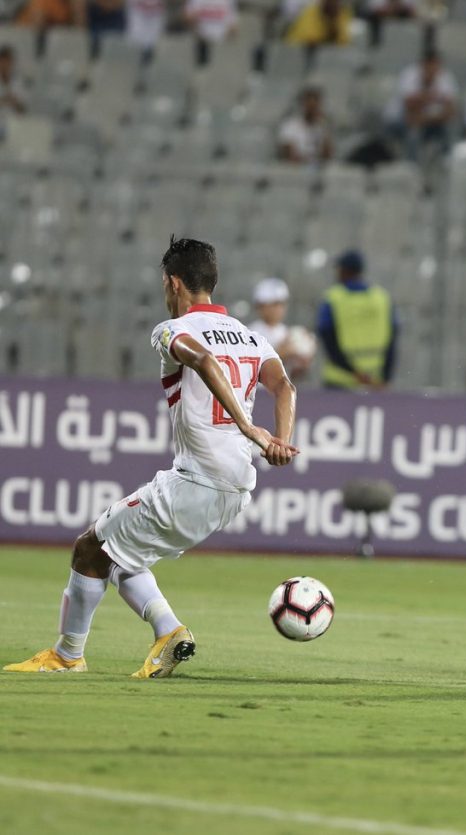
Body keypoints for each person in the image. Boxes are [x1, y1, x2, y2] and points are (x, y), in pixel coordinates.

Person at [4, 238, 299, 678]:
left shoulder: (171, 329)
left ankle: (68, 655)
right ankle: (168, 632)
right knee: (119, 552)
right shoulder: (251, 336)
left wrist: (247, 426)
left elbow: (203, 360)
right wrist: (280, 441)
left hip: (196, 481)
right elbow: (285, 386)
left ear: (173, 282)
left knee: (89, 549)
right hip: (235, 488)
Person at [317, 249, 398, 390]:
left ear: (344, 271)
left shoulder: (333, 298)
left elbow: (328, 340)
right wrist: (386, 378)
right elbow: (392, 340)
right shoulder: (381, 298)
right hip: (374, 381)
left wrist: (355, 373)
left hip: (339, 381)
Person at [392, 49, 458, 162]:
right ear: (423, 65)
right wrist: (433, 98)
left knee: (450, 131)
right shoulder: (409, 75)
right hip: (405, 120)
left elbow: (451, 110)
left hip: (432, 120)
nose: (433, 71)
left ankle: (447, 163)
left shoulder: (445, 77)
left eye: (436, 66)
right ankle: (412, 166)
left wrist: (424, 107)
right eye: (430, 67)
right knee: (413, 134)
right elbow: (409, 108)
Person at [249, 277, 315, 380]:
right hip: (258, 390)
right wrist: (281, 353)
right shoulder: (249, 333)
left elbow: (292, 376)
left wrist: (302, 364)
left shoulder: (288, 333)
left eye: (282, 304)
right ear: (261, 306)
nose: (279, 309)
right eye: (275, 304)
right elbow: (250, 370)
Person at [277, 85, 334, 164]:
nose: (312, 110)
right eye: (309, 106)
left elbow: (327, 156)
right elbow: (289, 155)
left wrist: (324, 128)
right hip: (296, 167)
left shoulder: (321, 127)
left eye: (315, 106)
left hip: (316, 167)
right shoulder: (290, 126)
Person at [285, 0, 352, 46]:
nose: (332, 3)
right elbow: (310, 38)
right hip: (294, 50)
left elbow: (343, 41)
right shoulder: (311, 12)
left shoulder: (341, 14)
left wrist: (334, 24)